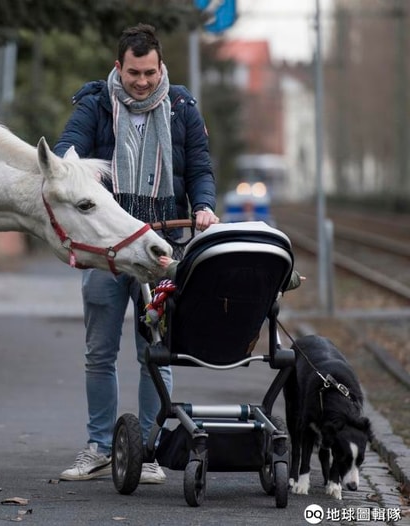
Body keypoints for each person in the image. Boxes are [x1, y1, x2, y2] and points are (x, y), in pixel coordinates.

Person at [54, 23, 219, 484]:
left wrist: (203, 206)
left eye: (149, 72)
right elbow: (68, 150)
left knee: (156, 354)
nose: (142, 82)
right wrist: (73, 167)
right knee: (99, 353)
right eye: (133, 73)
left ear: (161, 67)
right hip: (107, 251)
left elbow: (200, 168)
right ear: (118, 68)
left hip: (161, 249)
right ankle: (99, 447)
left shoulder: (181, 108)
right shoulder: (95, 104)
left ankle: (148, 451)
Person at [158, 255, 305, 290]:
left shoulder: (213, 273)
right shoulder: (261, 278)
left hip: (202, 337)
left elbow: (189, 276)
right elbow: (280, 279)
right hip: (245, 341)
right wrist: (296, 278)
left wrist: (171, 266)